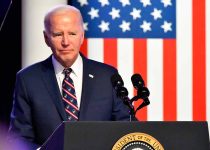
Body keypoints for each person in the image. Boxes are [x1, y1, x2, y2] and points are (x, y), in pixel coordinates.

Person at [8, 4, 132, 149]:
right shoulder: (28, 79)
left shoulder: (107, 76)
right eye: (58, 34)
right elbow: (18, 139)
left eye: (72, 34)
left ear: (82, 36)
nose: (65, 42)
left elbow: (127, 129)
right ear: (46, 38)